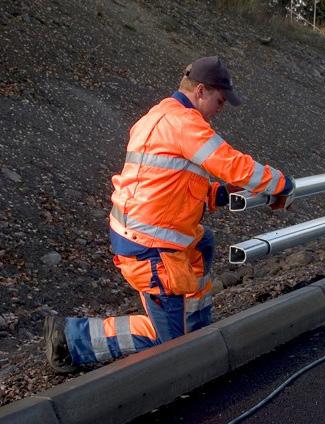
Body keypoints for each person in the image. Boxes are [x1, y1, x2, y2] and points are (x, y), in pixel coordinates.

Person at [44, 56, 295, 372]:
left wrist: (219, 193)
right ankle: (72, 338)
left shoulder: (159, 117)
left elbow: (171, 185)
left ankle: (198, 335)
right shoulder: (184, 124)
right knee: (168, 348)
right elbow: (233, 164)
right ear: (201, 91)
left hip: (148, 233)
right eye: (219, 101)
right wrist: (282, 184)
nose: (221, 109)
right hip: (149, 246)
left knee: (203, 244)